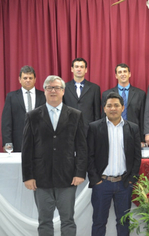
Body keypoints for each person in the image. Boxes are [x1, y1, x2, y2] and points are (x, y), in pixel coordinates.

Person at [22, 75, 87, 236]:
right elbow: (27, 149)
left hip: (67, 178)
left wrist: (80, 172)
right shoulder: (33, 116)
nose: (53, 91)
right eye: (49, 87)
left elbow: (82, 147)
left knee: (68, 221)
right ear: (43, 91)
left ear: (63, 91)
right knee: (44, 222)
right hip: (41, 178)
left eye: (57, 87)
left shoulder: (75, 115)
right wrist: (28, 176)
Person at [87, 92, 142, 236]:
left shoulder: (133, 128)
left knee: (123, 222)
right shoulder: (94, 127)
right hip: (102, 183)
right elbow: (89, 156)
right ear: (104, 108)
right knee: (99, 222)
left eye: (116, 105)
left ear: (123, 108)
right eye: (109, 105)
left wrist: (131, 179)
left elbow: (137, 156)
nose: (113, 108)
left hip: (124, 183)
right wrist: (96, 180)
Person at [1, 65, 46, 152]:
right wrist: (7, 143)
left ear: (35, 79)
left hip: (40, 142)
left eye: (30, 78)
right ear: (19, 80)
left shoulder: (44, 96)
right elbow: (6, 122)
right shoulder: (11, 97)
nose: (28, 80)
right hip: (18, 142)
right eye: (25, 78)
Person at [102, 63, 146, 142]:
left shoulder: (140, 94)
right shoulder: (106, 94)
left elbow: (143, 117)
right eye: (120, 72)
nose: (122, 74)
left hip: (133, 133)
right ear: (116, 75)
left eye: (125, 71)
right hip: (112, 132)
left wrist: (142, 138)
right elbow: (103, 116)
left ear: (129, 74)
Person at [63, 57, 101, 133]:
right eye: (76, 67)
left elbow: (97, 112)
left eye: (82, 67)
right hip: (69, 128)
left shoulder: (94, 88)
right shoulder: (64, 87)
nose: (79, 69)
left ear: (86, 70)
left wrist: (96, 129)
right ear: (72, 69)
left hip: (88, 129)